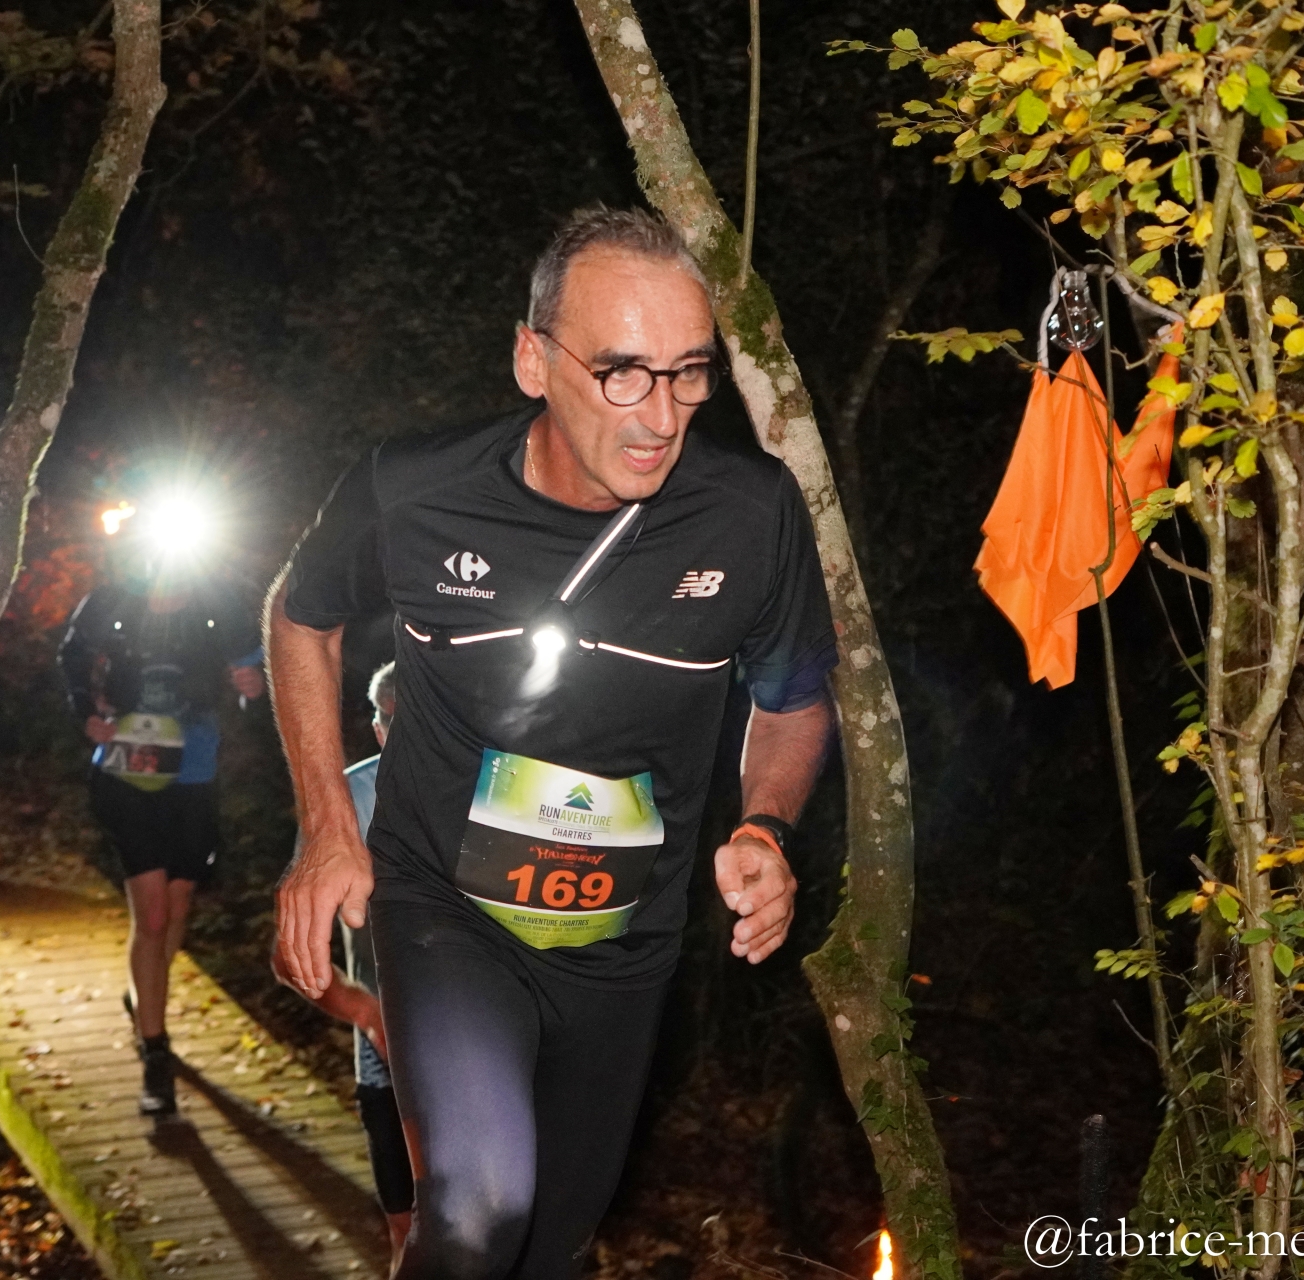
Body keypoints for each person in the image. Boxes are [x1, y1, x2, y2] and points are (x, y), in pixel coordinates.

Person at [266, 206, 839, 1278]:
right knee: (480, 1203)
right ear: (534, 361)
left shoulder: (750, 515)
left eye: (689, 373)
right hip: (447, 908)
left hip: (624, 943)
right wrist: (330, 825)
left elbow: (795, 700)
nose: (661, 414)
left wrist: (766, 826)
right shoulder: (419, 490)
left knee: (548, 1251)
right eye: (622, 372)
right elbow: (301, 616)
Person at [58, 530, 265, 1117]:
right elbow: (72, 655)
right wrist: (87, 712)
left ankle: (142, 995)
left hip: (194, 773)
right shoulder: (110, 603)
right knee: (151, 913)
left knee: (176, 908)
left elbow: (256, 668)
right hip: (128, 773)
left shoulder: (219, 606)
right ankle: (155, 1052)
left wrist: (252, 686)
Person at [272, 661, 413, 1268]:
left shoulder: (501, 798)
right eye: (395, 723)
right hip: (387, 1066)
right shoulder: (345, 805)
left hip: (486, 1057)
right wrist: (367, 1012)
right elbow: (288, 955)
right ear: (377, 728)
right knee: (408, 1236)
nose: (410, 739)